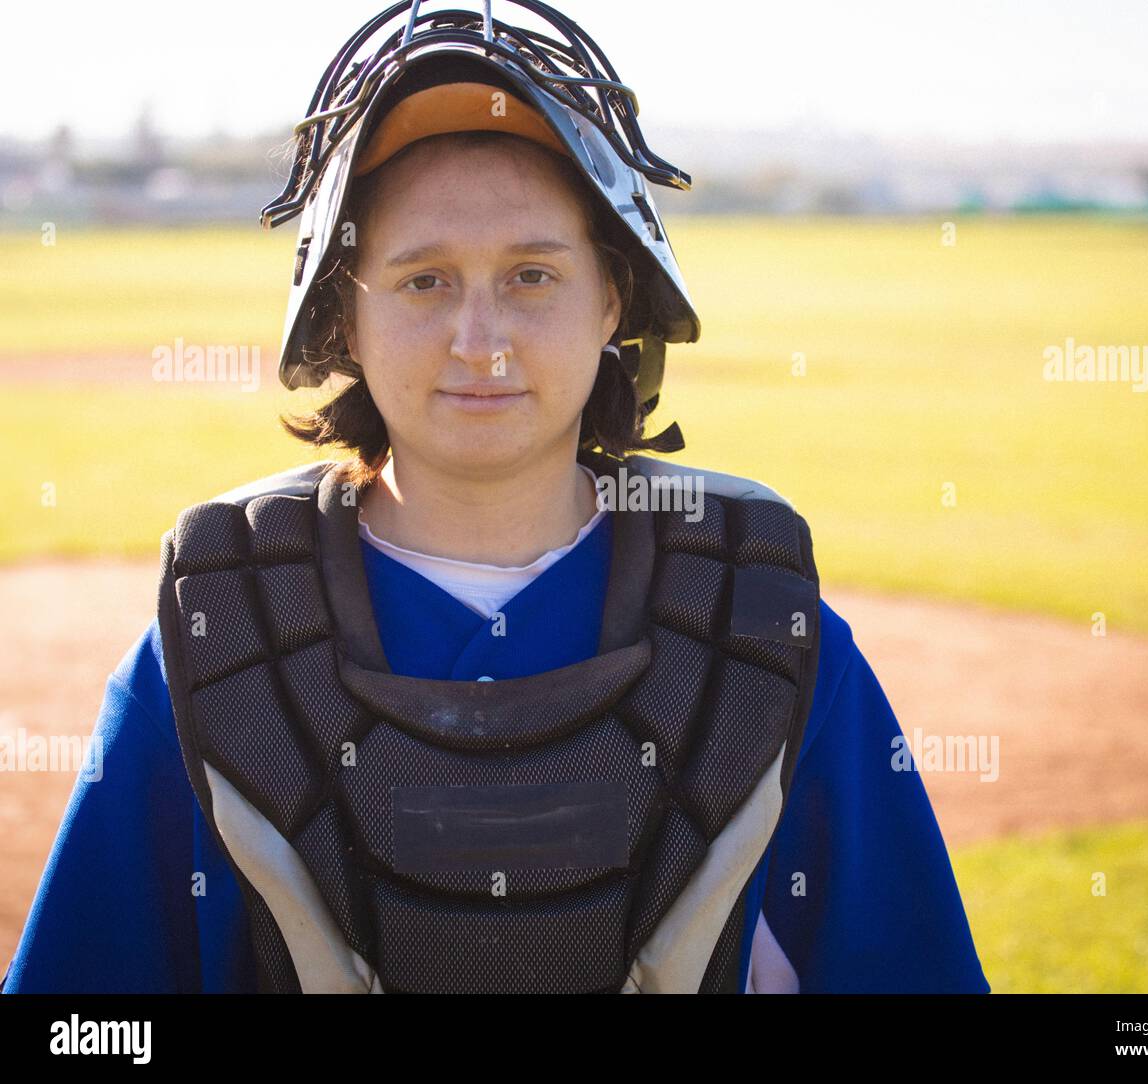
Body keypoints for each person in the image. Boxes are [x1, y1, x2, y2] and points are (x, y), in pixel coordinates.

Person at [2, 1, 989, 994]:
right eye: (424, 281)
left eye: (531, 275)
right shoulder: (217, 640)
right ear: (344, 315)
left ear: (611, 298)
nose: (481, 343)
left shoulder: (765, 633)